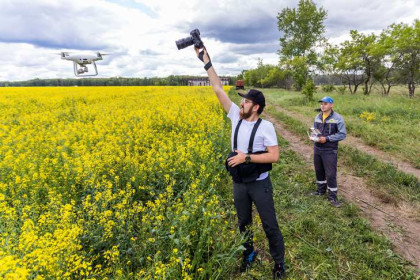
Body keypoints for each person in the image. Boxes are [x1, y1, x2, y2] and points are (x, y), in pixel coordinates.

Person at [194, 46, 286, 279]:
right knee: (243, 223)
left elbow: (274, 156)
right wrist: (207, 62)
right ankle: (248, 253)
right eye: (242, 101)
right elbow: (217, 89)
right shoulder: (235, 115)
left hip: (259, 183)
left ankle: (278, 263)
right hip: (239, 182)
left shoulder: (266, 127)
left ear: (256, 107)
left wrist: (246, 156)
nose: (241, 104)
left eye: (246, 102)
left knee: (269, 224)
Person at [311, 96, 346, 207]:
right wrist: (313, 135)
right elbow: (314, 129)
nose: (323, 105)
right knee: (319, 170)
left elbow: (342, 134)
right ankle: (320, 191)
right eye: (321, 103)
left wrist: (326, 139)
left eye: (325, 103)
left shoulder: (337, 118)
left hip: (330, 150)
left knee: (330, 174)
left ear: (331, 105)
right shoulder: (317, 117)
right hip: (317, 148)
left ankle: (333, 198)